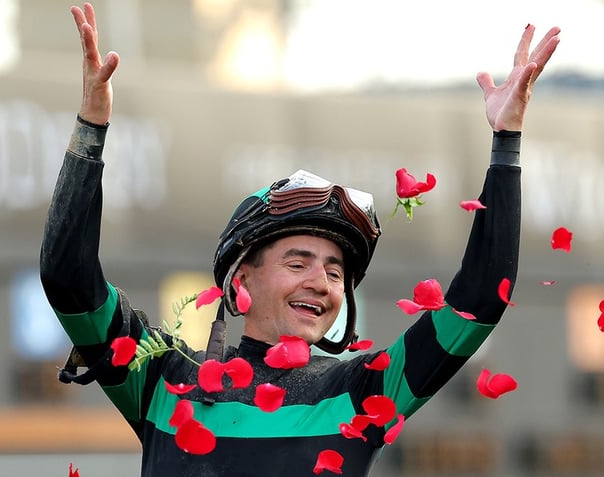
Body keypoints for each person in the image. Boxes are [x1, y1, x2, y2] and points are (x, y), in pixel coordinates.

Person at [40, 3, 560, 476]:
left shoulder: (366, 390)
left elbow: (482, 296)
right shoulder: (159, 379)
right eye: (298, 262)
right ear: (241, 280)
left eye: (335, 272)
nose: (322, 282)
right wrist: (91, 128)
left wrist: (506, 142)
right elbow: (68, 279)